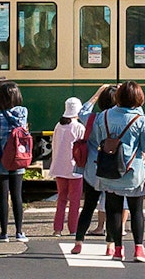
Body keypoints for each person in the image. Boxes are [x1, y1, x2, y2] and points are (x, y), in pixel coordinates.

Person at [95, 81, 145, 263]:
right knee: (136, 211)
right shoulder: (140, 120)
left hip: (108, 171)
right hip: (132, 173)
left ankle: (117, 250)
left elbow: (100, 141)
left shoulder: (103, 116)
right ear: (139, 98)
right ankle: (138, 250)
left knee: (113, 210)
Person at [72, 84, 119, 254]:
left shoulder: (92, 118)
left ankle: (78, 242)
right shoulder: (118, 120)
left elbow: (82, 111)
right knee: (113, 208)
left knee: (88, 207)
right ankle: (110, 245)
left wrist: (98, 92)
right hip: (112, 168)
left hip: (92, 169)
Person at [0, 81, 29, 243]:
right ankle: (19, 232)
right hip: (18, 157)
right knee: (17, 195)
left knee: (3, 196)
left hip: (0, 157)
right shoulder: (23, 112)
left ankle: (4, 234)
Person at [50, 97, 86, 237]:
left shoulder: (58, 126)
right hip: (75, 169)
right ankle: (73, 229)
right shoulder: (79, 127)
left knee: (61, 199)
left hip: (59, 167)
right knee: (75, 200)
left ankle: (57, 229)